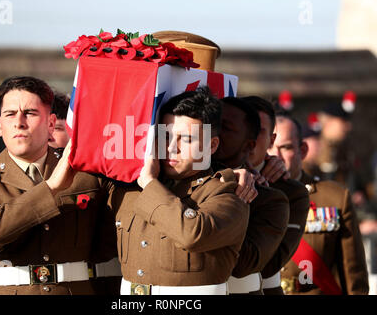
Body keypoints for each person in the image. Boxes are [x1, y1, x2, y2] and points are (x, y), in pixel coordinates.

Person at [0, 76, 114, 295]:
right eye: (10, 114)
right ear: (0, 126)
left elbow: (107, 245)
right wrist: (51, 188)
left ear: (50, 124)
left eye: (30, 113)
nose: (19, 122)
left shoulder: (87, 175)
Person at [103, 87, 250, 295]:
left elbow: (193, 233)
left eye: (187, 139)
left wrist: (150, 183)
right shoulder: (129, 187)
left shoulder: (227, 191)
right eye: (165, 136)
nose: (172, 147)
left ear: (212, 145)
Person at [271, 115, 369, 295]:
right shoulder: (245, 196)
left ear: (303, 150)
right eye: (269, 146)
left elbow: (353, 276)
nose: (276, 156)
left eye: (285, 147)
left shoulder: (334, 198)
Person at [213, 96, 290, 295]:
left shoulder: (270, 199)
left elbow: (244, 265)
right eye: (212, 124)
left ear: (249, 145)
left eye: (226, 128)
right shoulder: (185, 182)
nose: (214, 133)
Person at [244, 97, 310, 295]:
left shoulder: (291, 192)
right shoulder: (217, 177)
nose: (250, 138)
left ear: (270, 140)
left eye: (259, 130)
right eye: (244, 128)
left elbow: (270, 264)